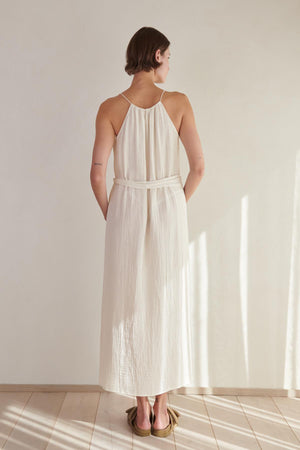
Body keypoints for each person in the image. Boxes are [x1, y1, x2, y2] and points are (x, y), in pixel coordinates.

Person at [90, 27, 204, 438]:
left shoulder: (109, 108)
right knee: (165, 302)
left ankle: (139, 410)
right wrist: (174, 206)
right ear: (156, 55)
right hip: (169, 210)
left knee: (130, 304)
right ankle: (161, 410)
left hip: (127, 210)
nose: (170, 64)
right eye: (168, 57)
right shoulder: (178, 103)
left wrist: (113, 215)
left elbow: (98, 175)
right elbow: (199, 167)